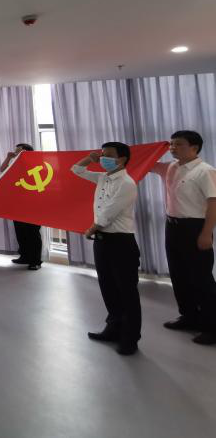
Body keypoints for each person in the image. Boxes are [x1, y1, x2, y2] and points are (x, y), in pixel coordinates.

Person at [72, 142, 141, 356]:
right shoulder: (103, 177)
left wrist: (91, 229)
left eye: (108, 155)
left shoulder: (127, 183)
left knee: (126, 291)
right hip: (102, 241)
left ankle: (130, 338)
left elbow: (108, 213)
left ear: (122, 159)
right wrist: (89, 158)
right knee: (108, 287)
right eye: (102, 154)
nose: (103, 158)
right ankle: (113, 328)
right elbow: (76, 170)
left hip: (120, 242)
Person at [150, 130, 216, 346]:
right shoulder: (170, 167)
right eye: (171, 144)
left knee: (201, 279)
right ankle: (189, 316)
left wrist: (206, 233)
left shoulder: (205, 171)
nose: (172, 148)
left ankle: (212, 327)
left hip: (195, 227)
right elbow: (145, 164)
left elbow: (213, 204)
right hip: (173, 226)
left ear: (194, 147)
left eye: (178, 144)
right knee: (178, 275)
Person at [0, 143, 42, 270]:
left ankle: (35, 261)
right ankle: (24, 256)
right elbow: (2, 170)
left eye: (19, 151)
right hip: (18, 205)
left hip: (33, 206)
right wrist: (8, 157)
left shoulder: (36, 165)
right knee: (21, 232)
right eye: (16, 151)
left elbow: (40, 186)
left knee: (33, 234)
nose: (16, 153)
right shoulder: (15, 165)